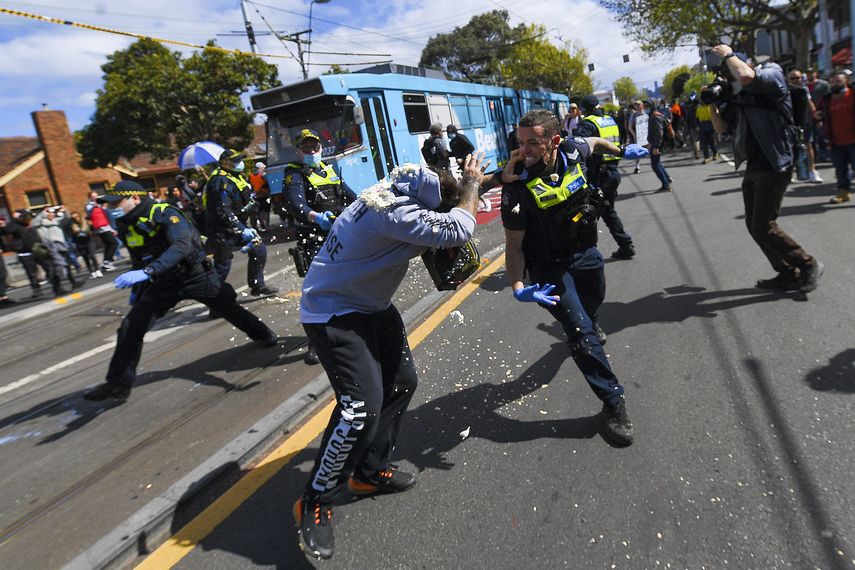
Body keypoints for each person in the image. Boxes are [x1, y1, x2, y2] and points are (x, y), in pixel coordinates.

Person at [293, 154, 487, 560]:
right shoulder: (396, 214)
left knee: (401, 383)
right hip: (334, 312)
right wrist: (470, 187)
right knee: (359, 409)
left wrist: (486, 178)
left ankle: (367, 472)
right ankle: (315, 501)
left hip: (369, 304)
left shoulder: (395, 190)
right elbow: (460, 226)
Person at [496, 108, 637, 453]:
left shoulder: (573, 150)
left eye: (532, 143)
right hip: (548, 268)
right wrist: (517, 287)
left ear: (554, 141)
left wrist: (621, 151)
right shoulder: (516, 188)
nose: (523, 150)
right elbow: (513, 247)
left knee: (593, 306)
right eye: (520, 142)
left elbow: (597, 142)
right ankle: (613, 402)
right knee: (580, 332)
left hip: (587, 253)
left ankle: (591, 322)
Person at [83, 181, 278, 402]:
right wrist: (138, 287)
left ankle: (263, 334)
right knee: (130, 327)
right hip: (160, 283)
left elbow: (182, 245)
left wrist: (147, 271)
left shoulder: (164, 213)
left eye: (116, 202)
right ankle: (117, 385)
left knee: (229, 308)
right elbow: (139, 256)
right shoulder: (126, 223)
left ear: (134, 198)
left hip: (194, 276)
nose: (111, 208)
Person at [709, 45, 823, 293]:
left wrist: (728, 54)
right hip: (755, 164)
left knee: (763, 224)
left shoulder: (772, 72)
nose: (729, 78)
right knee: (754, 224)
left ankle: (808, 264)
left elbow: (748, 77)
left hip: (776, 160)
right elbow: (720, 128)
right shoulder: (737, 94)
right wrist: (712, 103)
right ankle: (786, 273)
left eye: (730, 70)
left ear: (741, 63)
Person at [282, 129, 357, 364]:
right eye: (306, 148)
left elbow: (349, 196)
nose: (312, 151)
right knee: (319, 293)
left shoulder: (329, 169)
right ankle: (317, 343)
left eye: (315, 147)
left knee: (349, 285)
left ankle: (350, 330)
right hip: (315, 239)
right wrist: (316, 217)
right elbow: (296, 205)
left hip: (340, 235)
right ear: (298, 151)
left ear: (321, 148)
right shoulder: (294, 175)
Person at [205, 148, 278, 297]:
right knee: (222, 266)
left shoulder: (237, 177)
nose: (240, 163)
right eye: (235, 160)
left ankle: (257, 285)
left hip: (239, 225)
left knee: (259, 249)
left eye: (240, 159)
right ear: (225, 163)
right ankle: (215, 301)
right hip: (223, 231)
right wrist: (241, 229)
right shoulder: (220, 181)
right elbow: (223, 209)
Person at [574, 94, 636, 259]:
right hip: (613, 172)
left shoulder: (588, 124)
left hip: (598, 176)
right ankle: (625, 245)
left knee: (588, 214)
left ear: (585, 109)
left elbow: (579, 146)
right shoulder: (610, 120)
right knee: (607, 210)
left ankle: (585, 253)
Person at [815, 69, 855, 203]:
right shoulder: (826, 99)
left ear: (846, 81)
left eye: (838, 81)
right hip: (835, 141)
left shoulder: (852, 94)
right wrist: (818, 116)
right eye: (832, 82)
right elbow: (818, 113)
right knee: (840, 170)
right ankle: (844, 193)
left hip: (853, 140)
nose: (835, 84)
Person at [31, 205, 79, 296]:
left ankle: (71, 283)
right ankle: (57, 288)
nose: (51, 214)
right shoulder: (41, 222)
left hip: (61, 246)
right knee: (55, 268)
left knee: (66, 265)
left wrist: (65, 210)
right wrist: (43, 213)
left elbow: (66, 218)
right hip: (50, 247)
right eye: (49, 212)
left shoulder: (56, 221)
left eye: (52, 212)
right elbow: (33, 223)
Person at [787, 68, 823, 183]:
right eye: (792, 78)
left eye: (798, 77)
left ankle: (812, 171)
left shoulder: (804, 89)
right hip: (790, 124)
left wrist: (816, 117)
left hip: (805, 122)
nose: (796, 80)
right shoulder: (785, 90)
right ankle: (790, 173)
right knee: (790, 148)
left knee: (808, 146)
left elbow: (809, 102)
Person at [85, 191, 118, 272]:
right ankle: (107, 261)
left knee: (108, 245)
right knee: (114, 243)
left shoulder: (100, 204)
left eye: (96, 196)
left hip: (106, 226)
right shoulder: (90, 205)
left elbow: (107, 215)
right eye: (93, 196)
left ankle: (106, 262)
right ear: (90, 197)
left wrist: (112, 228)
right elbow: (89, 215)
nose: (96, 198)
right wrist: (95, 205)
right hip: (101, 228)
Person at [644, 99, 673, 191]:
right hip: (656, 143)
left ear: (652, 106)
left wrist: (656, 147)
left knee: (655, 165)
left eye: (647, 106)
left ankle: (666, 185)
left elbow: (659, 133)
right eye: (645, 106)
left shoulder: (655, 117)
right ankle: (667, 179)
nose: (645, 108)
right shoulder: (653, 116)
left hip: (657, 144)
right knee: (657, 163)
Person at [69, 211, 102, 279]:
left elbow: (93, 229)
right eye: (74, 217)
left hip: (89, 240)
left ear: (79, 216)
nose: (76, 218)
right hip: (80, 242)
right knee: (85, 257)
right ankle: (91, 272)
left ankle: (97, 270)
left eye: (77, 216)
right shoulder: (72, 225)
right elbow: (71, 235)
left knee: (92, 255)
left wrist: (91, 226)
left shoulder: (86, 222)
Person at [249, 161, 272, 231]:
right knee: (265, 211)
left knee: (258, 212)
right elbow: (269, 184)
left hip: (256, 196)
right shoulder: (263, 175)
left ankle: (261, 225)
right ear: (259, 168)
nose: (263, 169)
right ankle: (266, 226)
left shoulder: (250, 176)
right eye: (262, 168)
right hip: (263, 196)